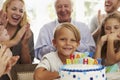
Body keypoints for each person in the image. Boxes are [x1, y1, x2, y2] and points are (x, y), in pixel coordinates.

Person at [0, 0, 35, 79]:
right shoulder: (1, 27)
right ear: (6, 9)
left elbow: (27, 65)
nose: (17, 13)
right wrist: (15, 41)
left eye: (21, 11)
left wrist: (24, 44)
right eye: (14, 9)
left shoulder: (27, 32)